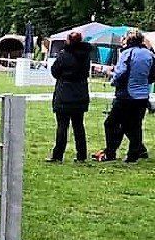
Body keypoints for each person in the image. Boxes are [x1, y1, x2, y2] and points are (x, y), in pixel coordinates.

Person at [95, 28, 153, 163]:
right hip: (143, 95)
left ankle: (110, 152)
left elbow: (121, 73)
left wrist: (112, 79)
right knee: (135, 125)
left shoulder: (127, 53)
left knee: (110, 123)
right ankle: (135, 153)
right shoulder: (149, 54)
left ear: (129, 39)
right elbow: (152, 73)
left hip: (126, 95)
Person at [47, 31, 91, 163]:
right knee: (79, 126)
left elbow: (55, 71)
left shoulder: (64, 55)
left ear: (69, 41)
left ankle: (58, 155)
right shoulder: (86, 55)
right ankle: (82, 155)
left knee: (62, 126)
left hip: (64, 94)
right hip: (80, 93)